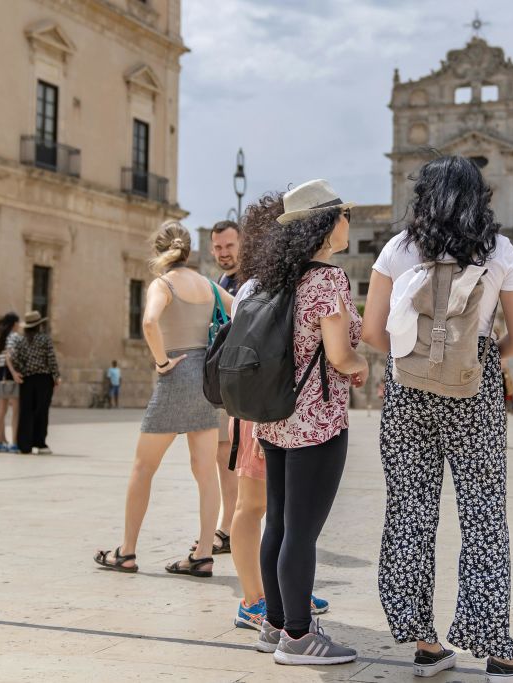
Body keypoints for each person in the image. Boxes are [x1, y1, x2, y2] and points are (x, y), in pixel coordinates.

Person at [362, 156, 513, 682]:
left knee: (409, 513)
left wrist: (414, 357)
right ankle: (498, 651)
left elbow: (373, 333)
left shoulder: (397, 250)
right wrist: (482, 357)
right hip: (474, 394)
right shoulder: (498, 251)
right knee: (484, 517)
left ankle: (424, 643)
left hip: (406, 395)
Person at [246, 179, 366, 665]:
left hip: (273, 418)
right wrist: (360, 365)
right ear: (325, 223)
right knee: (302, 531)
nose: (347, 223)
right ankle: (298, 636)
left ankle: (274, 622)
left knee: (276, 521)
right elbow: (339, 355)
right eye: (343, 215)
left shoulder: (272, 278)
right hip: (316, 421)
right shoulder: (329, 281)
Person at [95, 221, 233, 578]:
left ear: (159, 251)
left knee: (143, 469)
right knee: (205, 473)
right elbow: (244, 311)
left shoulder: (163, 283)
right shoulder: (210, 286)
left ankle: (126, 552)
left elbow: (150, 322)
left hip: (176, 376)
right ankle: (202, 554)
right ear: (190, 250)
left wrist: (161, 361)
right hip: (206, 381)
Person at [225, 193, 331, 633]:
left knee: (283, 510)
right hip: (262, 408)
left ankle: (287, 592)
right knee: (253, 505)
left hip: (273, 407)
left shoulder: (274, 281)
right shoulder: (255, 287)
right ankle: (252, 598)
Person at [190, 219, 244, 558]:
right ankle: (229, 525)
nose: (224, 253)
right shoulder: (222, 281)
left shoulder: (249, 281)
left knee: (231, 456)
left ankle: (229, 528)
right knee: (224, 454)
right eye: (219, 248)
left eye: (229, 246)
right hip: (223, 380)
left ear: (242, 244)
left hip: (241, 382)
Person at [12, 311, 61, 455]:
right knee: (41, 411)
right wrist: (56, 376)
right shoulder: (45, 339)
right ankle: (40, 443)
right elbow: (51, 359)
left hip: (26, 380)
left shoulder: (20, 340)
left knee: (26, 411)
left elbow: (15, 358)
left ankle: (24, 445)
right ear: (39, 325)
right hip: (43, 379)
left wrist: (21, 370)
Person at [0, 313, 22, 453]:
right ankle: (14, 443)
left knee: (1, 412)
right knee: (15, 411)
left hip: (1, 375)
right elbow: (11, 355)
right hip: (12, 374)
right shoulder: (16, 337)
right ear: (14, 324)